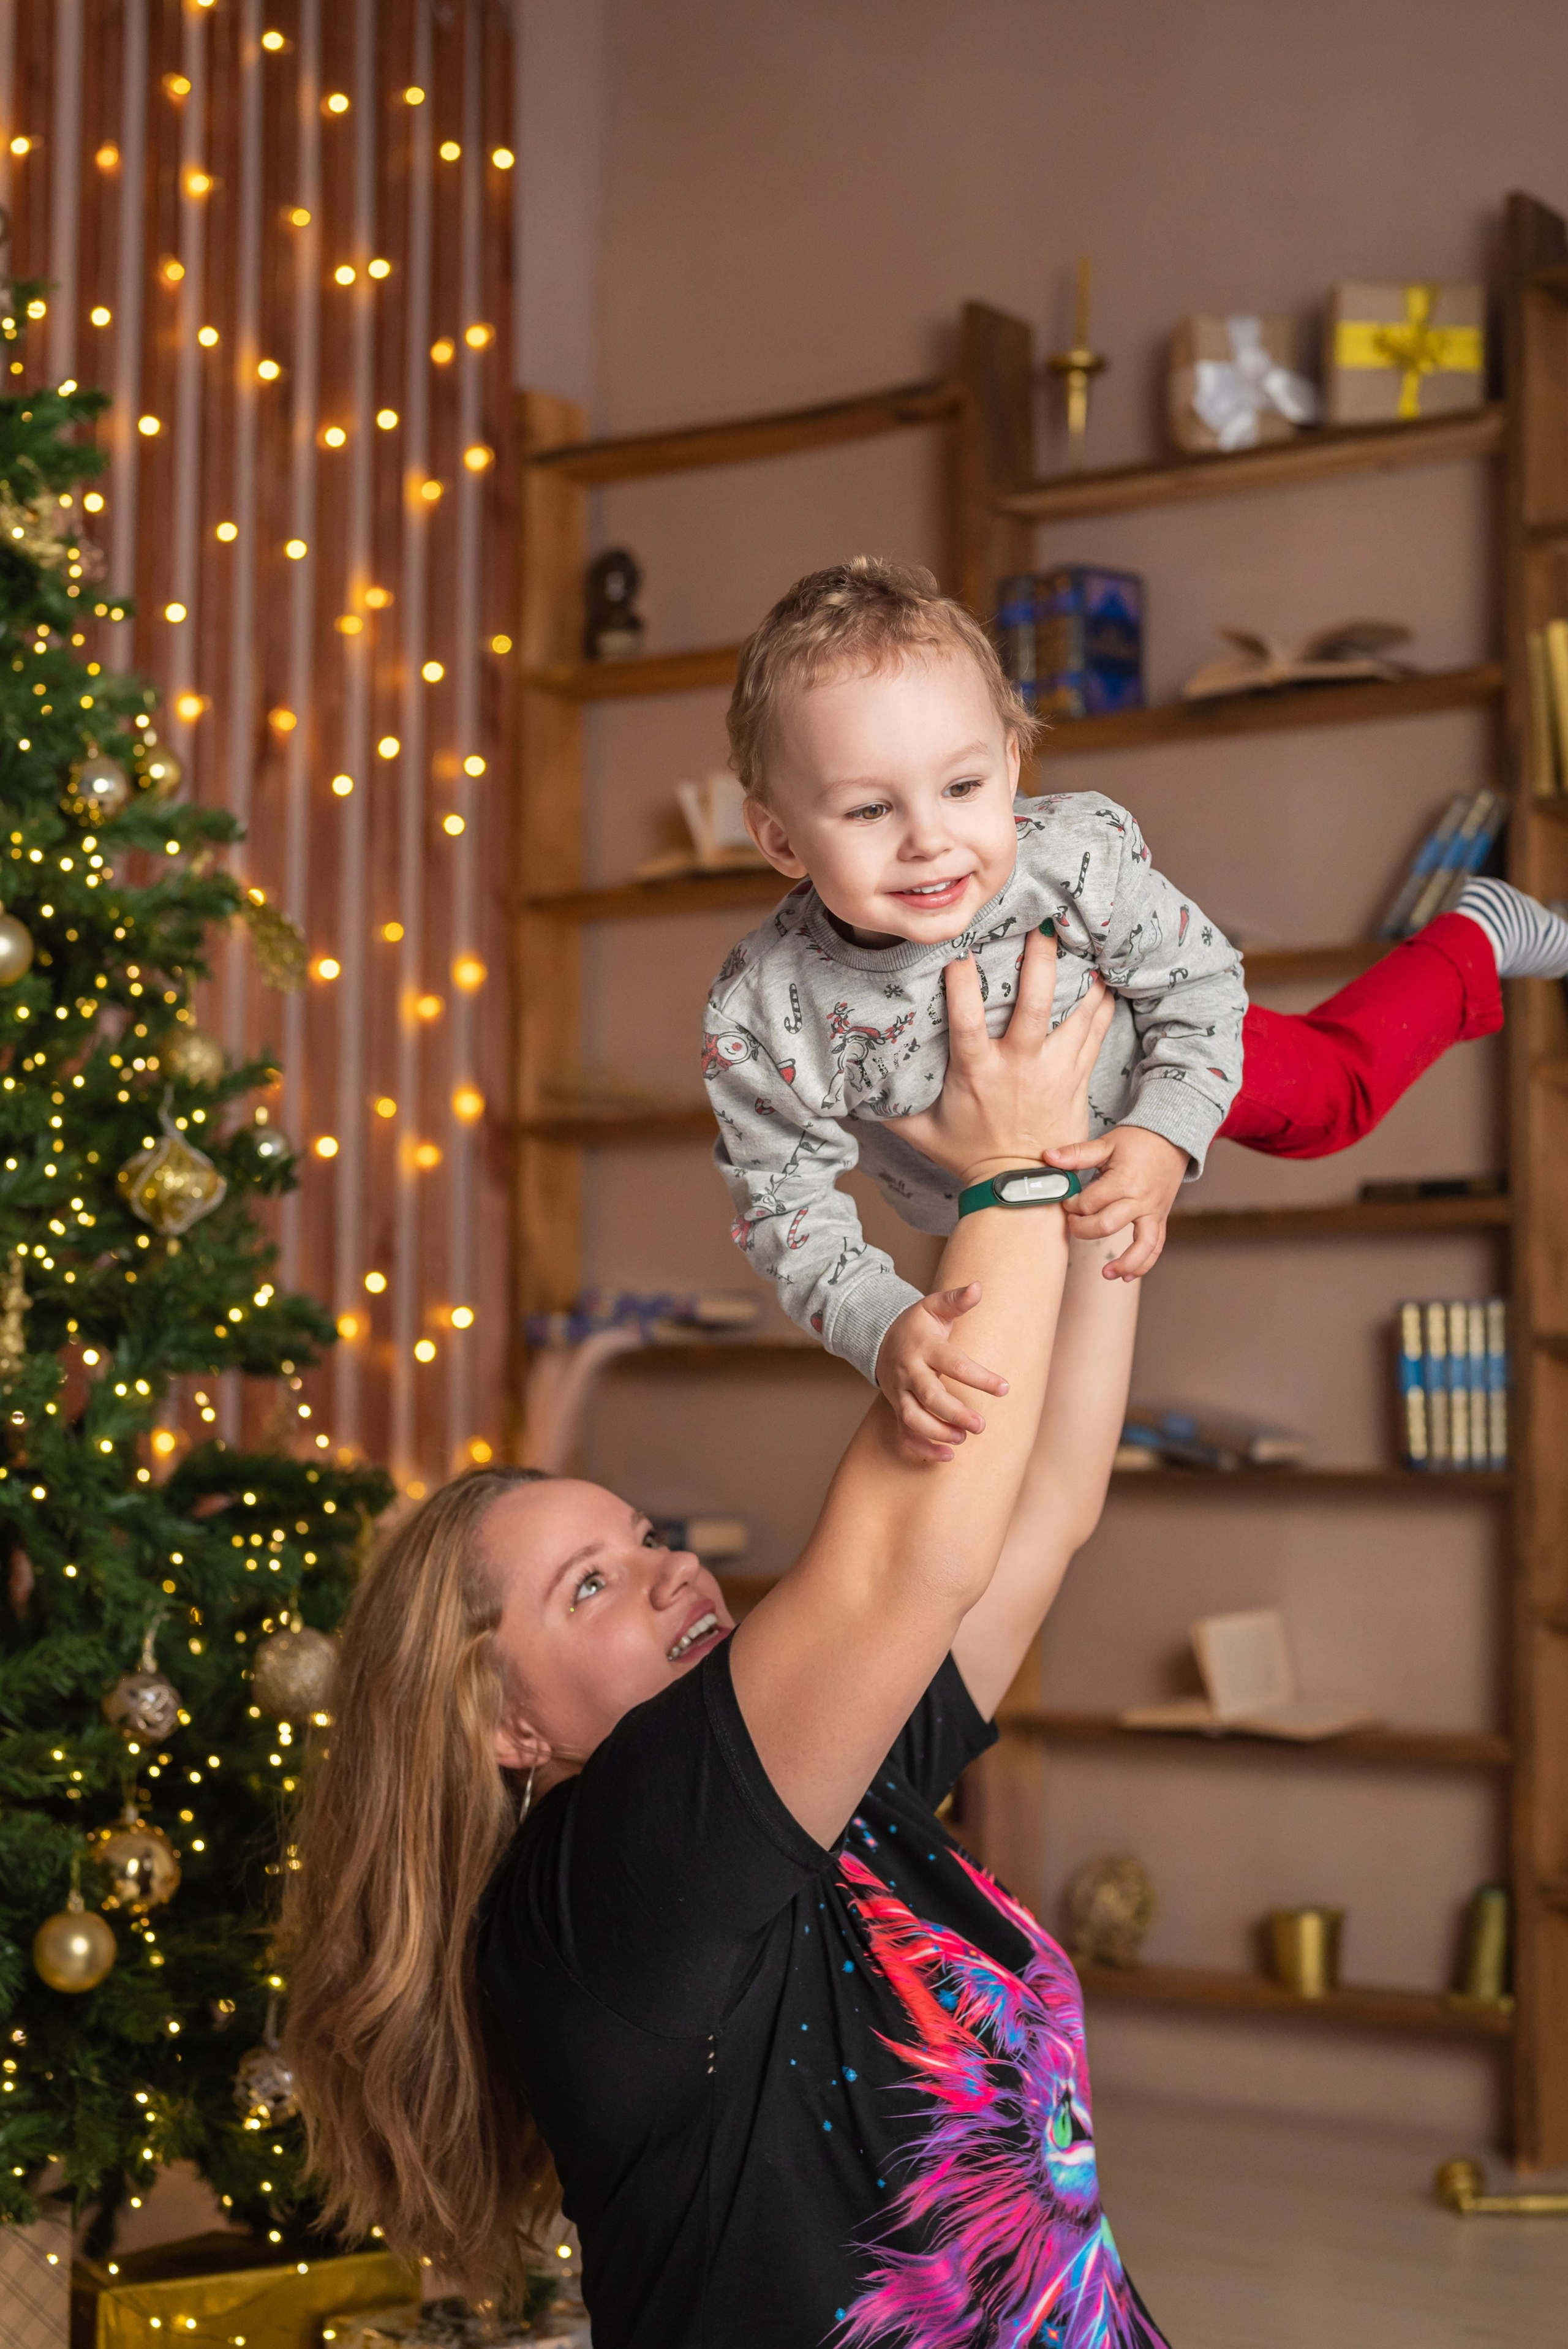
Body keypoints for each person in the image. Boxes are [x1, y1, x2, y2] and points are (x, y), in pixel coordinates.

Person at [284, 941, 1172, 2348]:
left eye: (642, 1535)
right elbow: (907, 1553)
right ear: (500, 1723)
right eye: (588, 1586)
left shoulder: (836, 1799)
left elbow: (1043, 1508)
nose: (665, 1571)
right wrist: (1004, 1178)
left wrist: (1103, 1188)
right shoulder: (598, 1889)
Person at [706, 556, 1562, 1622]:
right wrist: (880, 1324)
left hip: (1164, 1058)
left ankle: (1474, 935)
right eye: (871, 809)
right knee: (1000, 1437)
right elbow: (784, 1206)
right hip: (1006, 1196)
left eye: (964, 787)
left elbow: (1201, 980)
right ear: (781, 837)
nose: (930, 837)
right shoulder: (767, 1008)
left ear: (1013, 766)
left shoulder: (1070, 858)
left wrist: (1162, 1137)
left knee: (1333, 1104)